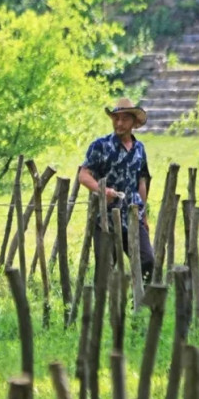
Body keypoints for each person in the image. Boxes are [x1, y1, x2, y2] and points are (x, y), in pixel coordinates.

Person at [78, 97, 154, 283]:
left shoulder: (139, 149)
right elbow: (84, 175)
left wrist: (144, 216)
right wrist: (102, 191)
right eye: (115, 118)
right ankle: (101, 310)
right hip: (106, 217)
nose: (119, 123)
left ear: (134, 123)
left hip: (133, 216)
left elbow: (141, 182)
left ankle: (138, 306)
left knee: (147, 261)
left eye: (124, 119)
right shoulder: (100, 146)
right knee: (105, 269)